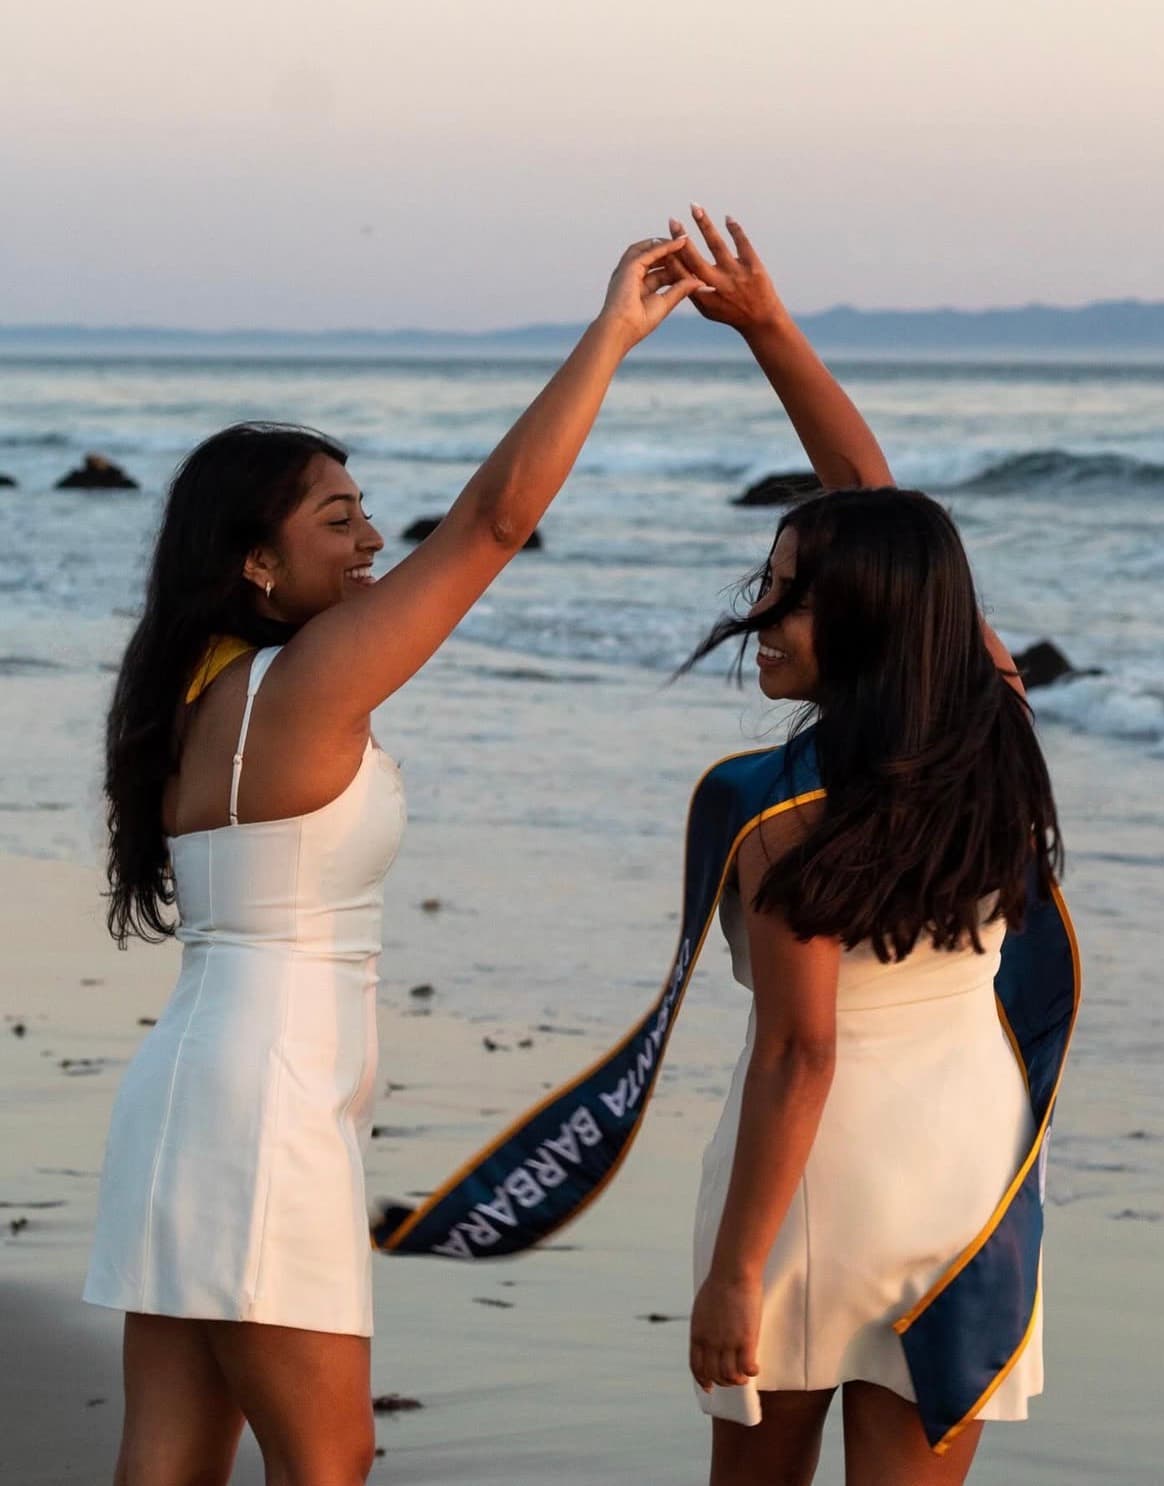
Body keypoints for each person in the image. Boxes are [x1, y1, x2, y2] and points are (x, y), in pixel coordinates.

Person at [83, 235, 701, 1486]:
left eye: (366, 514)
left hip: (202, 1089)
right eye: (338, 519)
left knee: (170, 1458)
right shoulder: (298, 685)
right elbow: (495, 521)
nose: (369, 540)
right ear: (256, 561)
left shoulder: (199, 695)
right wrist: (610, 340)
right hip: (262, 1103)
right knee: (331, 1458)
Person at [667, 208, 1065, 1486]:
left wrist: (733, 1272)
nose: (761, 616)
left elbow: (801, 1050)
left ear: (867, 621)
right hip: (965, 1178)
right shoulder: (992, 734)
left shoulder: (787, 808)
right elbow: (886, 517)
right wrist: (773, 333)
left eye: (790, 592)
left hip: (814, 1181)